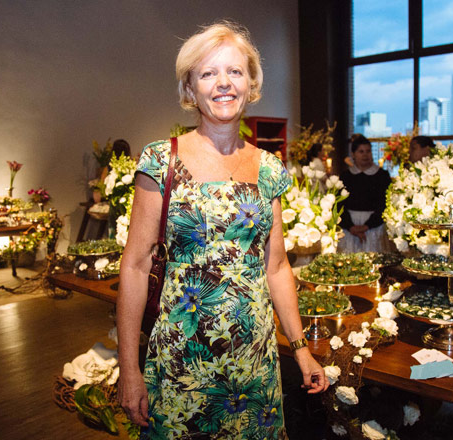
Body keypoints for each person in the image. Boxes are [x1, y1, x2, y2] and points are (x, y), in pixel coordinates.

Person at [117, 21, 328, 439]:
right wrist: (128, 369)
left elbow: (277, 267)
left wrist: (301, 349)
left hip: (255, 361)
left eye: (235, 71)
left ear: (251, 84)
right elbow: (136, 267)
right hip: (182, 360)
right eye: (208, 73)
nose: (224, 83)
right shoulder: (160, 161)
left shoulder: (269, 169)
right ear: (190, 89)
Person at [338, 134, 392, 253]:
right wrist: (351, 227)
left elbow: (385, 204)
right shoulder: (345, 176)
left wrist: (367, 226)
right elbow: (339, 204)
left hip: (374, 228)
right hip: (350, 228)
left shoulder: (382, 176)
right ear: (353, 154)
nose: (365, 155)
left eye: (368, 151)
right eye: (361, 151)